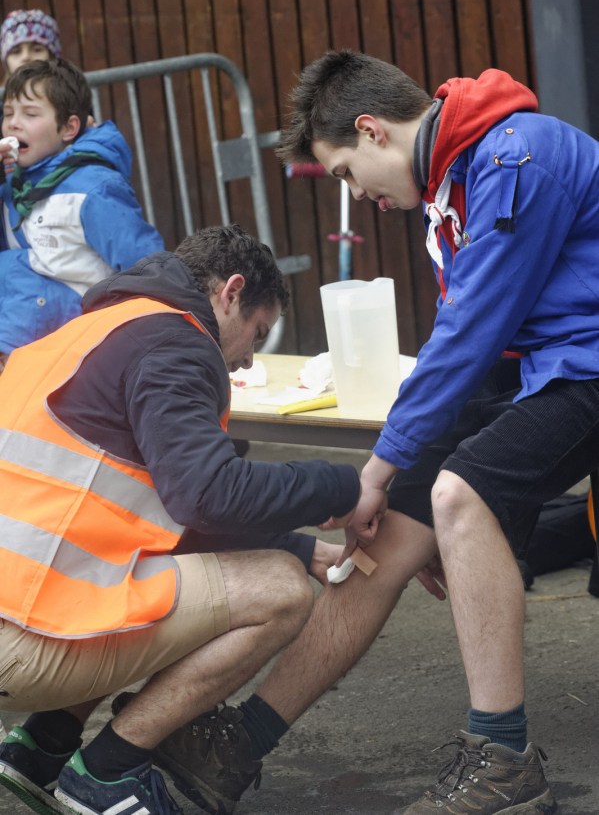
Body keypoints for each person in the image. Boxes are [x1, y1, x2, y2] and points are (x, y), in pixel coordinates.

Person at [121, 49, 599, 815]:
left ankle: (503, 762)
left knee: (458, 494)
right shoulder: (452, 180)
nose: (357, 196)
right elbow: (462, 336)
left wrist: (382, 466)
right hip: (536, 364)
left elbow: (469, 332)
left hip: (585, 360)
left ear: (372, 130)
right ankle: (243, 742)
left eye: (345, 172)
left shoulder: (517, 156)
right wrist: (396, 490)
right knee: (382, 534)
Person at [0, 223, 360, 815]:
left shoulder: (98, 328)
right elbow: (207, 496)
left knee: (162, 568)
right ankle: (108, 771)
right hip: (25, 643)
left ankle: (43, 745)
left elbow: (164, 512)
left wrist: (297, 545)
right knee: (280, 591)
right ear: (231, 293)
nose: (248, 359)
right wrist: (340, 488)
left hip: (22, 610)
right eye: (257, 332)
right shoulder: (176, 343)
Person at [0, 57, 164, 371]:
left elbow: (145, 264)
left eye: (30, 114)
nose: (13, 124)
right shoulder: (10, 185)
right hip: (21, 344)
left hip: (78, 348)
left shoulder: (94, 188)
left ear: (69, 128)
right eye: (8, 113)